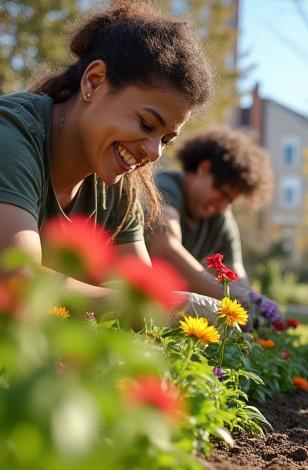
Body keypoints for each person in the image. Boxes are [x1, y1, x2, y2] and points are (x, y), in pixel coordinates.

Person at [0, 1, 217, 317]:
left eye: (166, 140)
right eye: (146, 123)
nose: (155, 152)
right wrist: (171, 305)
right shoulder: (11, 136)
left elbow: (140, 291)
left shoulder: (119, 182)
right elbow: (17, 279)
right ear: (94, 81)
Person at [147, 127, 279, 312]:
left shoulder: (220, 216)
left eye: (230, 200)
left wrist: (255, 304)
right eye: (222, 194)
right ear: (204, 169)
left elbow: (236, 274)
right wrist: (231, 296)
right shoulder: (164, 187)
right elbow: (166, 248)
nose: (223, 206)